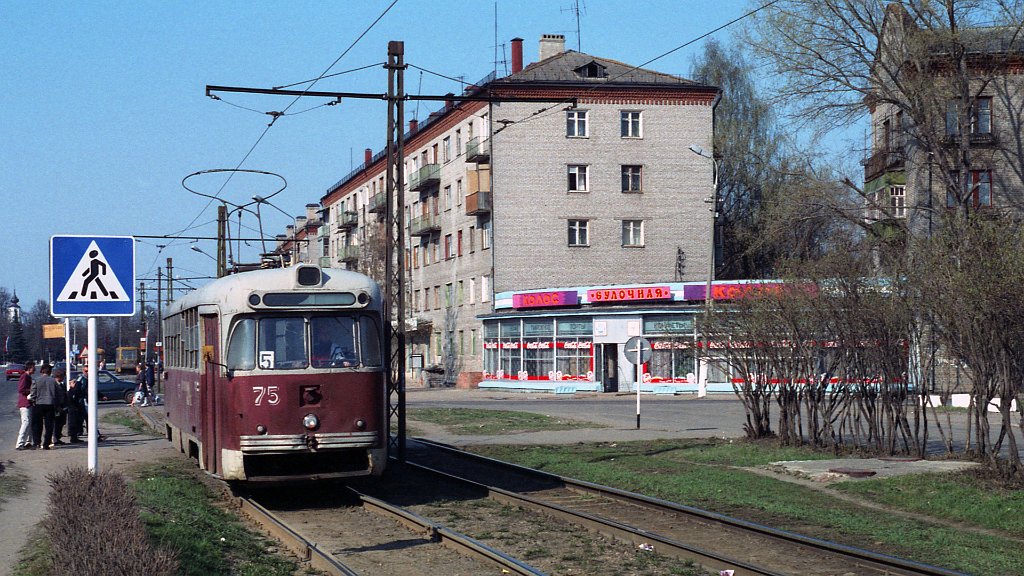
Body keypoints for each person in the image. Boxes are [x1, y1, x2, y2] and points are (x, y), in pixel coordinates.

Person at [29, 364, 63, 450]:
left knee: (37, 424)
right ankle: (46, 444)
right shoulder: (53, 381)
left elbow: (33, 392)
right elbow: (59, 393)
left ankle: (37, 442)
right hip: (50, 404)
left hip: (38, 404)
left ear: (42, 371)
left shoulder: (36, 380)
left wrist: (33, 400)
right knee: (49, 425)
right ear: (50, 371)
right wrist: (58, 404)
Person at [14, 361, 36, 450]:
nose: (35, 369)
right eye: (33, 367)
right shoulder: (24, 376)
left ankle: (28, 442)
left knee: (29, 422)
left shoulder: (29, 377)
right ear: (29, 368)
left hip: (29, 403)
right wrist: (31, 391)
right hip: (24, 403)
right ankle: (19, 443)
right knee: (26, 422)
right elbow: (21, 389)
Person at [65, 370, 86, 443]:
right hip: (72, 410)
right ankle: (73, 437)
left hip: (78, 409)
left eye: (75, 382)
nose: (75, 384)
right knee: (73, 423)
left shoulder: (78, 390)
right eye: (73, 382)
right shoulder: (70, 392)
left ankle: (76, 436)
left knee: (78, 423)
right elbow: (70, 400)